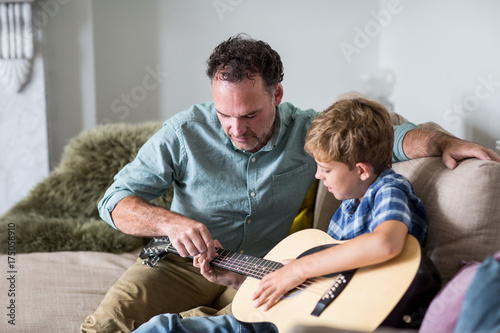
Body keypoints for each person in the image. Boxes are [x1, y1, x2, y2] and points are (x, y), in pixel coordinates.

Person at [81, 34, 500, 333]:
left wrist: (445, 141)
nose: (234, 129)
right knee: (107, 324)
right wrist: (171, 224)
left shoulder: (311, 132)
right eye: (224, 115)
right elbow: (114, 202)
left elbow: (391, 137)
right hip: (179, 263)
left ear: (277, 94)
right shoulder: (184, 131)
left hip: (261, 273)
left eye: (249, 116)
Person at [135, 97, 429, 333]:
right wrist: (235, 278)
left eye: (325, 169)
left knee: (162, 328)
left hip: (342, 317)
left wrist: (298, 269)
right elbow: (313, 289)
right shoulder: (350, 203)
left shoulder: (388, 189)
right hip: (290, 318)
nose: (317, 176)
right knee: (163, 325)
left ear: (362, 170)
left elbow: (385, 243)